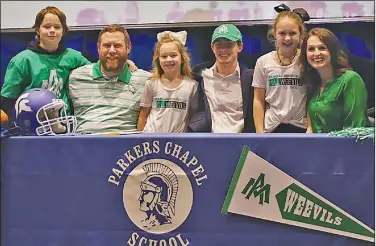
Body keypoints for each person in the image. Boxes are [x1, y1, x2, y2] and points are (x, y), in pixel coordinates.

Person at [0, 6, 138, 118]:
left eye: (57, 27)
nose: (52, 31)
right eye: (47, 27)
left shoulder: (73, 57)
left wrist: (120, 61)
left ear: (64, 30)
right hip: (32, 128)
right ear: (37, 29)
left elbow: (99, 70)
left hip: (65, 126)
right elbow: (7, 100)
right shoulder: (21, 60)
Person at [68, 24, 151, 134]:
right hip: (83, 148)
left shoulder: (146, 81)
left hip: (127, 148)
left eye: (117, 46)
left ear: (128, 48)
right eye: (106, 45)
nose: (112, 50)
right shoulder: (76, 78)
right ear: (98, 48)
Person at [252, 4, 310, 133]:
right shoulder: (263, 62)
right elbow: (258, 100)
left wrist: (310, 128)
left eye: (292, 33)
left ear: (300, 34)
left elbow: (312, 97)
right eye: (282, 33)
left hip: (301, 128)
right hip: (271, 129)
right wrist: (259, 132)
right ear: (274, 34)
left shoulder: (307, 60)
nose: (287, 38)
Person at [188, 24, 255, 133]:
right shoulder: (200, 75)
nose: (223, 50)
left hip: (242, 145)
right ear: (212, 47)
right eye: (219, 45)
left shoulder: (251, 79)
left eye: (229, 45)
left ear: (240, 47)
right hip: (209, 144)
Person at [301, 27, 369, 133]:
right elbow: (311, 130)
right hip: (319, 148)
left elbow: (355, 129)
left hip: (347, 148)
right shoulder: (313, 86)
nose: (316, 53)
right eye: (311, 49)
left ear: (332, 50)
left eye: (322, 48)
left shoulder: (350, 79)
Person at [137, 31, 198, 133]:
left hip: (178, 144)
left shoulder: (192, 86)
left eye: (173, 55)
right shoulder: (151, 83)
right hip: (151, 139)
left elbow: (193, 118)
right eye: (164, 56)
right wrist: (138, 140)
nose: (169, 60)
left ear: (182, 58)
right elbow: (143, 117)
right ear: (158, 59)